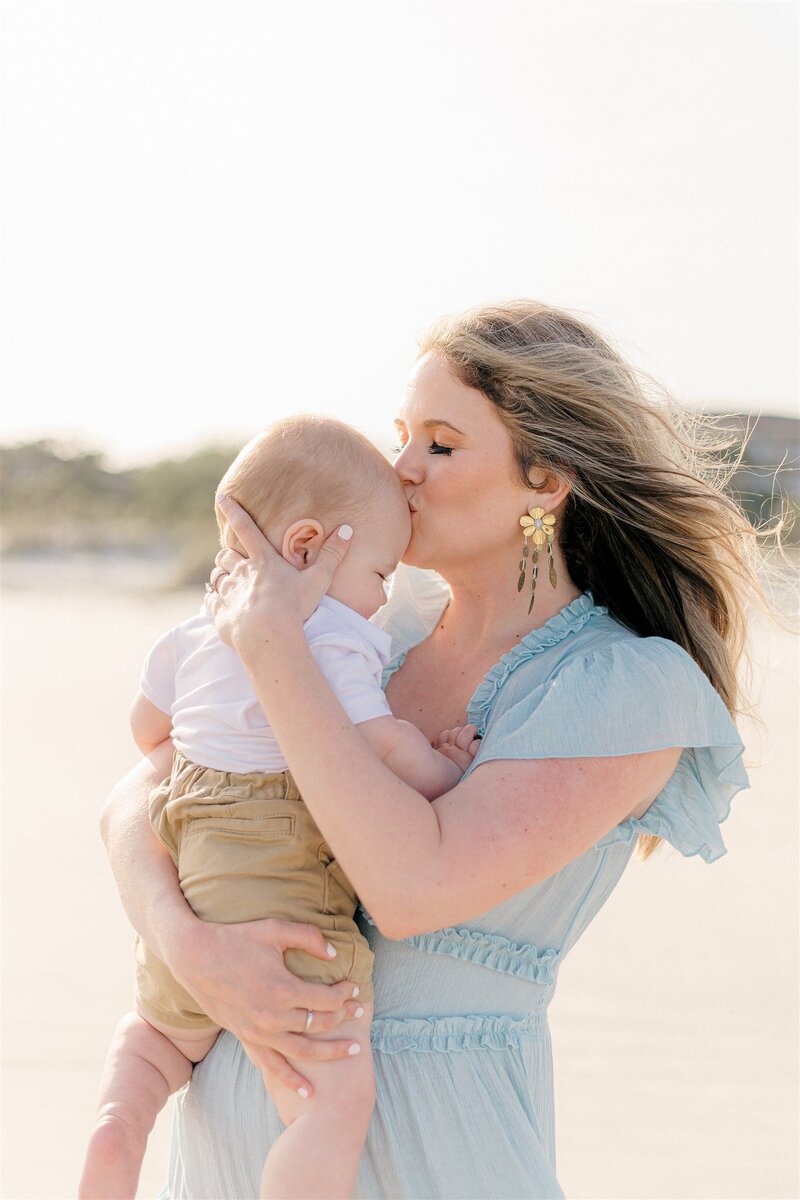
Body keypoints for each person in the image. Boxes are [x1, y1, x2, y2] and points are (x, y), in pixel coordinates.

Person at [101, 301, 757, 1200]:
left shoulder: (621, 687)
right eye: (403, 434)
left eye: (442, 446)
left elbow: (409, 887)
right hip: (231, 1124)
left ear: (547, 482)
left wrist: (271, 643)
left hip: (435, 1148)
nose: (400, 468)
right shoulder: (373, 627)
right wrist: (186, 944)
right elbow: (144, 789)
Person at [80, 416, 481, 1200]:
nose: (379, 597)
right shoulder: (332, 634)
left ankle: (112, 1141)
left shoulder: (192, 634)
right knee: (333, 1107)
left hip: (190, 865)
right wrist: (447, 769)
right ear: (307, 549)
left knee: (152, 1049)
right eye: (376, 573)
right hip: (281, 888)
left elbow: (145, 737)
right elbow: (381, 744)